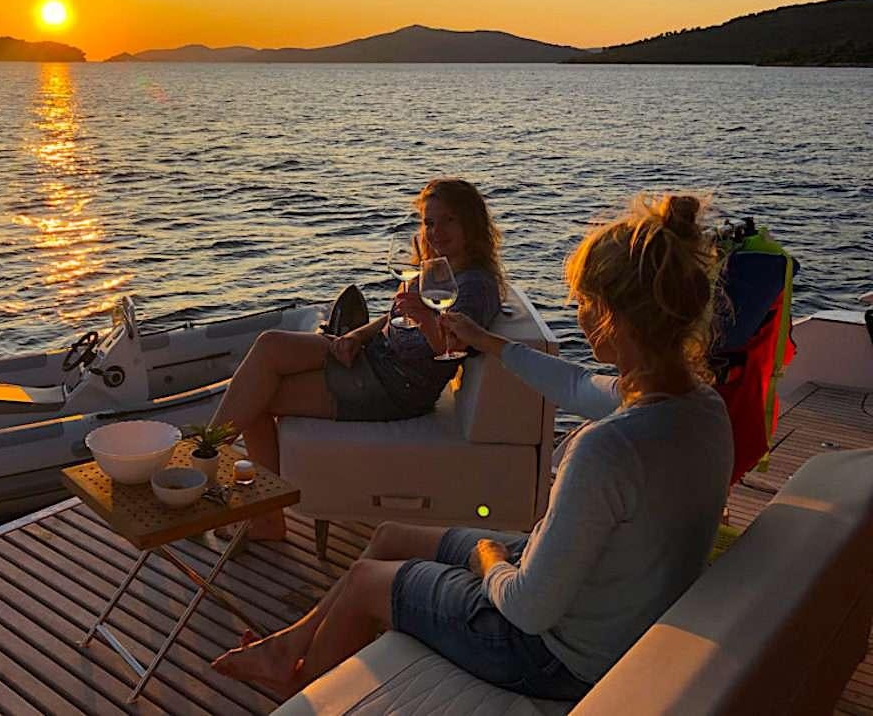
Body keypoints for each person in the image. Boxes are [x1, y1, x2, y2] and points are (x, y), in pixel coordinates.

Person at [212, 193, 733, 702]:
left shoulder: (607, 451)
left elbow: (527, 610)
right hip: (605, 615)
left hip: (551, 657)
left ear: (611, 317)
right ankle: (290, 646)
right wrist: (486, 342)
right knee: (392, 536)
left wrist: (489, 558)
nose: (575, 310)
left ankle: (299, 689)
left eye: (582, 301)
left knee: (367, 580)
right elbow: (577, 386)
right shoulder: (702, 408)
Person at [209, 178, 503, 541]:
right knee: (270, 345)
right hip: (372, 356)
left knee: (257, 399)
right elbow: (395, 316)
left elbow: (453, 349)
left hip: (394, 386)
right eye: (429, 222)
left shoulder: (475, 285)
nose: (436, 231)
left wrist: (425, 318)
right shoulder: (436, 267)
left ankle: (216, 474)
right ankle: (210, 455)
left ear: (471, 223)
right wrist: (355, 335)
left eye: (448, 220)